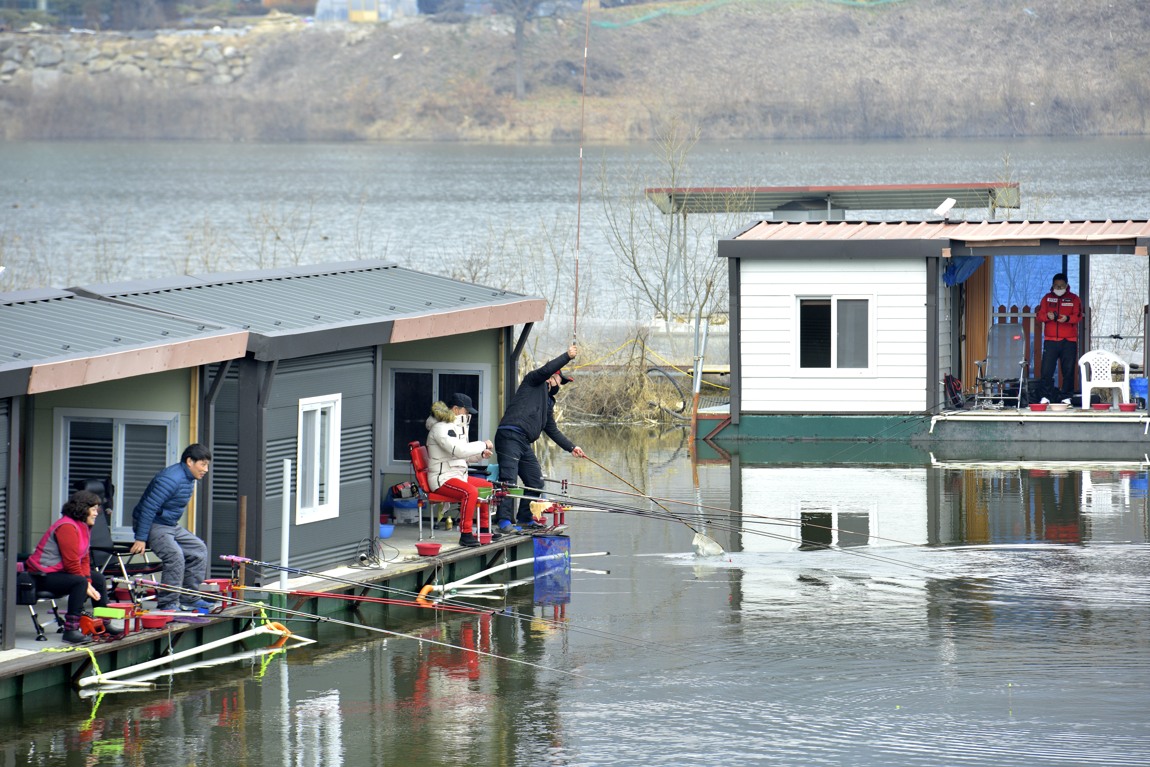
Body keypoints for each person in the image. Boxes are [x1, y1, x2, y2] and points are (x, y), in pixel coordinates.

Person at [493, 345, 586, 532]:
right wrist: (567, 356)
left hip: (523, 442)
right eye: (561, 380)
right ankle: (504, 522)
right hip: (509, 436)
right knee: (508, 479)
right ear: (552, 377)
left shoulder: (548, 404)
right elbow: (546, 369)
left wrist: (572, 447)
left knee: (535, 480)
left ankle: (525, 519)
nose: (561, 385)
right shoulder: (533, 382)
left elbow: (553, 430)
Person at [130, 443, 214, 612]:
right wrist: (141, 538)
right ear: (190, 461)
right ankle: (168, 603)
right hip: (154, 524)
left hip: (169, 525)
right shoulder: (170, 479)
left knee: (198, 549)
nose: (205, 470)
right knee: (175, 556)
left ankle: (189, 598)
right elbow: (148, 508)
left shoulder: (189, 477)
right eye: (202, 464)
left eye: (207, 465)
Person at [25, 490, 110, 644]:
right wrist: (86, 584)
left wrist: (89, 581)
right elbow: (71, 563)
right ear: (82, 509)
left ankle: (104, 623)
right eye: (93, 509)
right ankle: (70, 630)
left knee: (98, 578)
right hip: (42, 575)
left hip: (60, 573)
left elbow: (84, 558)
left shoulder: (83, 526)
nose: (96, 513)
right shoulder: (67, 526)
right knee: (79, 582)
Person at [425, 392, 494, 548]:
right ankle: (466, 533)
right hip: (441, 478)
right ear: (456, 409)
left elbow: (462, 456)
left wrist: (480, 455)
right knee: (471, 492)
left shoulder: (455, 427)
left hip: (456, 475)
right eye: (466, 411)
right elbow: (459, 451)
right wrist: (483, 444)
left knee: (486, 486)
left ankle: (484, 530)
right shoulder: (440, 428)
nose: (468, 414)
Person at [1037, 273, 1083, 403]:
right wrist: (1048, 316)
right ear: (1052, 286)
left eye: (1061, 286)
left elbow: (1078, 316)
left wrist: (1067, 319)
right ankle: (1046, 396)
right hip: (1050, 340)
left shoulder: (1074, 299)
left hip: (1069, 340)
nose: (1059, 288)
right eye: (1056, 286)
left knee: (1068, 370)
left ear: (1067, 286)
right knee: (1046, 370)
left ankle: (1067, 396)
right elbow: (1040, 315)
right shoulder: (1047, 298)